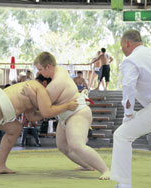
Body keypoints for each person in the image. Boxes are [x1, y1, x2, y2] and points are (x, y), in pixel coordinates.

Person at [33, 51, 110, 180]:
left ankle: (105, 170)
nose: (39, 73)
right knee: (63, 146)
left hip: (77, 112)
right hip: (65, 115)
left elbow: (44, 109)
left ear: (48, 67)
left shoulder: (56, 83)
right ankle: (87, 165)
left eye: (40, 69)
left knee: (76, 145)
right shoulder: (60, 70)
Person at [110, 30, 151, 188]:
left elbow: (129, 89)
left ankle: (124, 184)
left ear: (127, 43)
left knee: (122, 135)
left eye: (122, 46)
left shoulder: (131, 60)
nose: (122, 50)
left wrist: (128, 115)